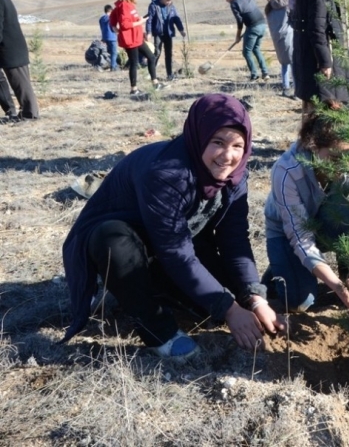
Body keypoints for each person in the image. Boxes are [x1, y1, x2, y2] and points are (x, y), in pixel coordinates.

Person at [61, 94, 284, 357]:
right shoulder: (166, 174)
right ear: (200, 136)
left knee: (214, 305)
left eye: (238, 145)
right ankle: (158, 331)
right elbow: (175, 252)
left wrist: (253, 298)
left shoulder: (235, 174)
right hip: (128, 236)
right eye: (218, 142)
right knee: (114, 241)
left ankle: (156, 285)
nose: (228, 156)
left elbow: (234, 238)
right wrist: (230, 309)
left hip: (180, 234)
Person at [263, 113, 349, 312]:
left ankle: (346, 268)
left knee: (344, 213)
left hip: (328, 223)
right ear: (314, 147)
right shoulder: (287, 170)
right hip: (287, 232)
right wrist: (336, 286)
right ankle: (279, 267)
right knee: (300, 303)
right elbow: (301, 237)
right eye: (334, 157)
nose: (343, 165)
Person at [289, 0, 349, 116]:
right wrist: (325, 62)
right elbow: (317, 26)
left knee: (311, 111)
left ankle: (307, 140)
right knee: (325, 113)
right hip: (319, 59)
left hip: (308, 55)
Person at [109, 0, 165, 95]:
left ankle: (155, 83)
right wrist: (140, 22)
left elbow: (114, 18)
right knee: (134, 63)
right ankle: (134, 89)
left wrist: (139, 25)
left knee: (151, 57)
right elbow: (124, 25)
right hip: (130, 40)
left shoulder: (129, 4)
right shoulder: (124, 5)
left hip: (137, 38)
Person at [0, 0, 39, 121]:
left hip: (11, 47)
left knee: (20, 83)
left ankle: (30, 114)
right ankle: (10, 111)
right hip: (5, 47)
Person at [222, 0, 270, 82]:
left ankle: (254, 75)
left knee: (246, 52)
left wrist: (238, 36)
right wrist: (270, 2)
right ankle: (265, 73)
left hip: (253, 27)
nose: (226, 0)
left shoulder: (234, 3)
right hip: (263, 25)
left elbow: (239, 21)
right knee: (256, 49)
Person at [146, 0, 186, 81]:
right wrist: (149, 32)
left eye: (170, 0)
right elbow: (150, 20)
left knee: (169, 54)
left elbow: (177, 19)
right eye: (167, 0)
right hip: (158, 33)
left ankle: (169, 74)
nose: (169, 2)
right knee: (157, 53)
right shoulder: (154, 6)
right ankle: (151, 74)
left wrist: (181, 30)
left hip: (168, 33)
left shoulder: (172, 7)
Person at [265, 0, 295, 98]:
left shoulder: (269, 7)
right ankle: (297, 90)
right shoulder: (287, 4)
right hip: (289, 36)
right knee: (294, 63)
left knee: (284, 63)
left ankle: (285, 87)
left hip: (276, 38)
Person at [99, 4, 119, 72]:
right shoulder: (111, 18)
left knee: (109, 52)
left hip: (105, 37)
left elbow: (101, 28)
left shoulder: (101, 19)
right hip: (112, 37)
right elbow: (114, 27)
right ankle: (113, 67)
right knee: (114, 52)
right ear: (111, 10)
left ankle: (112, 64)